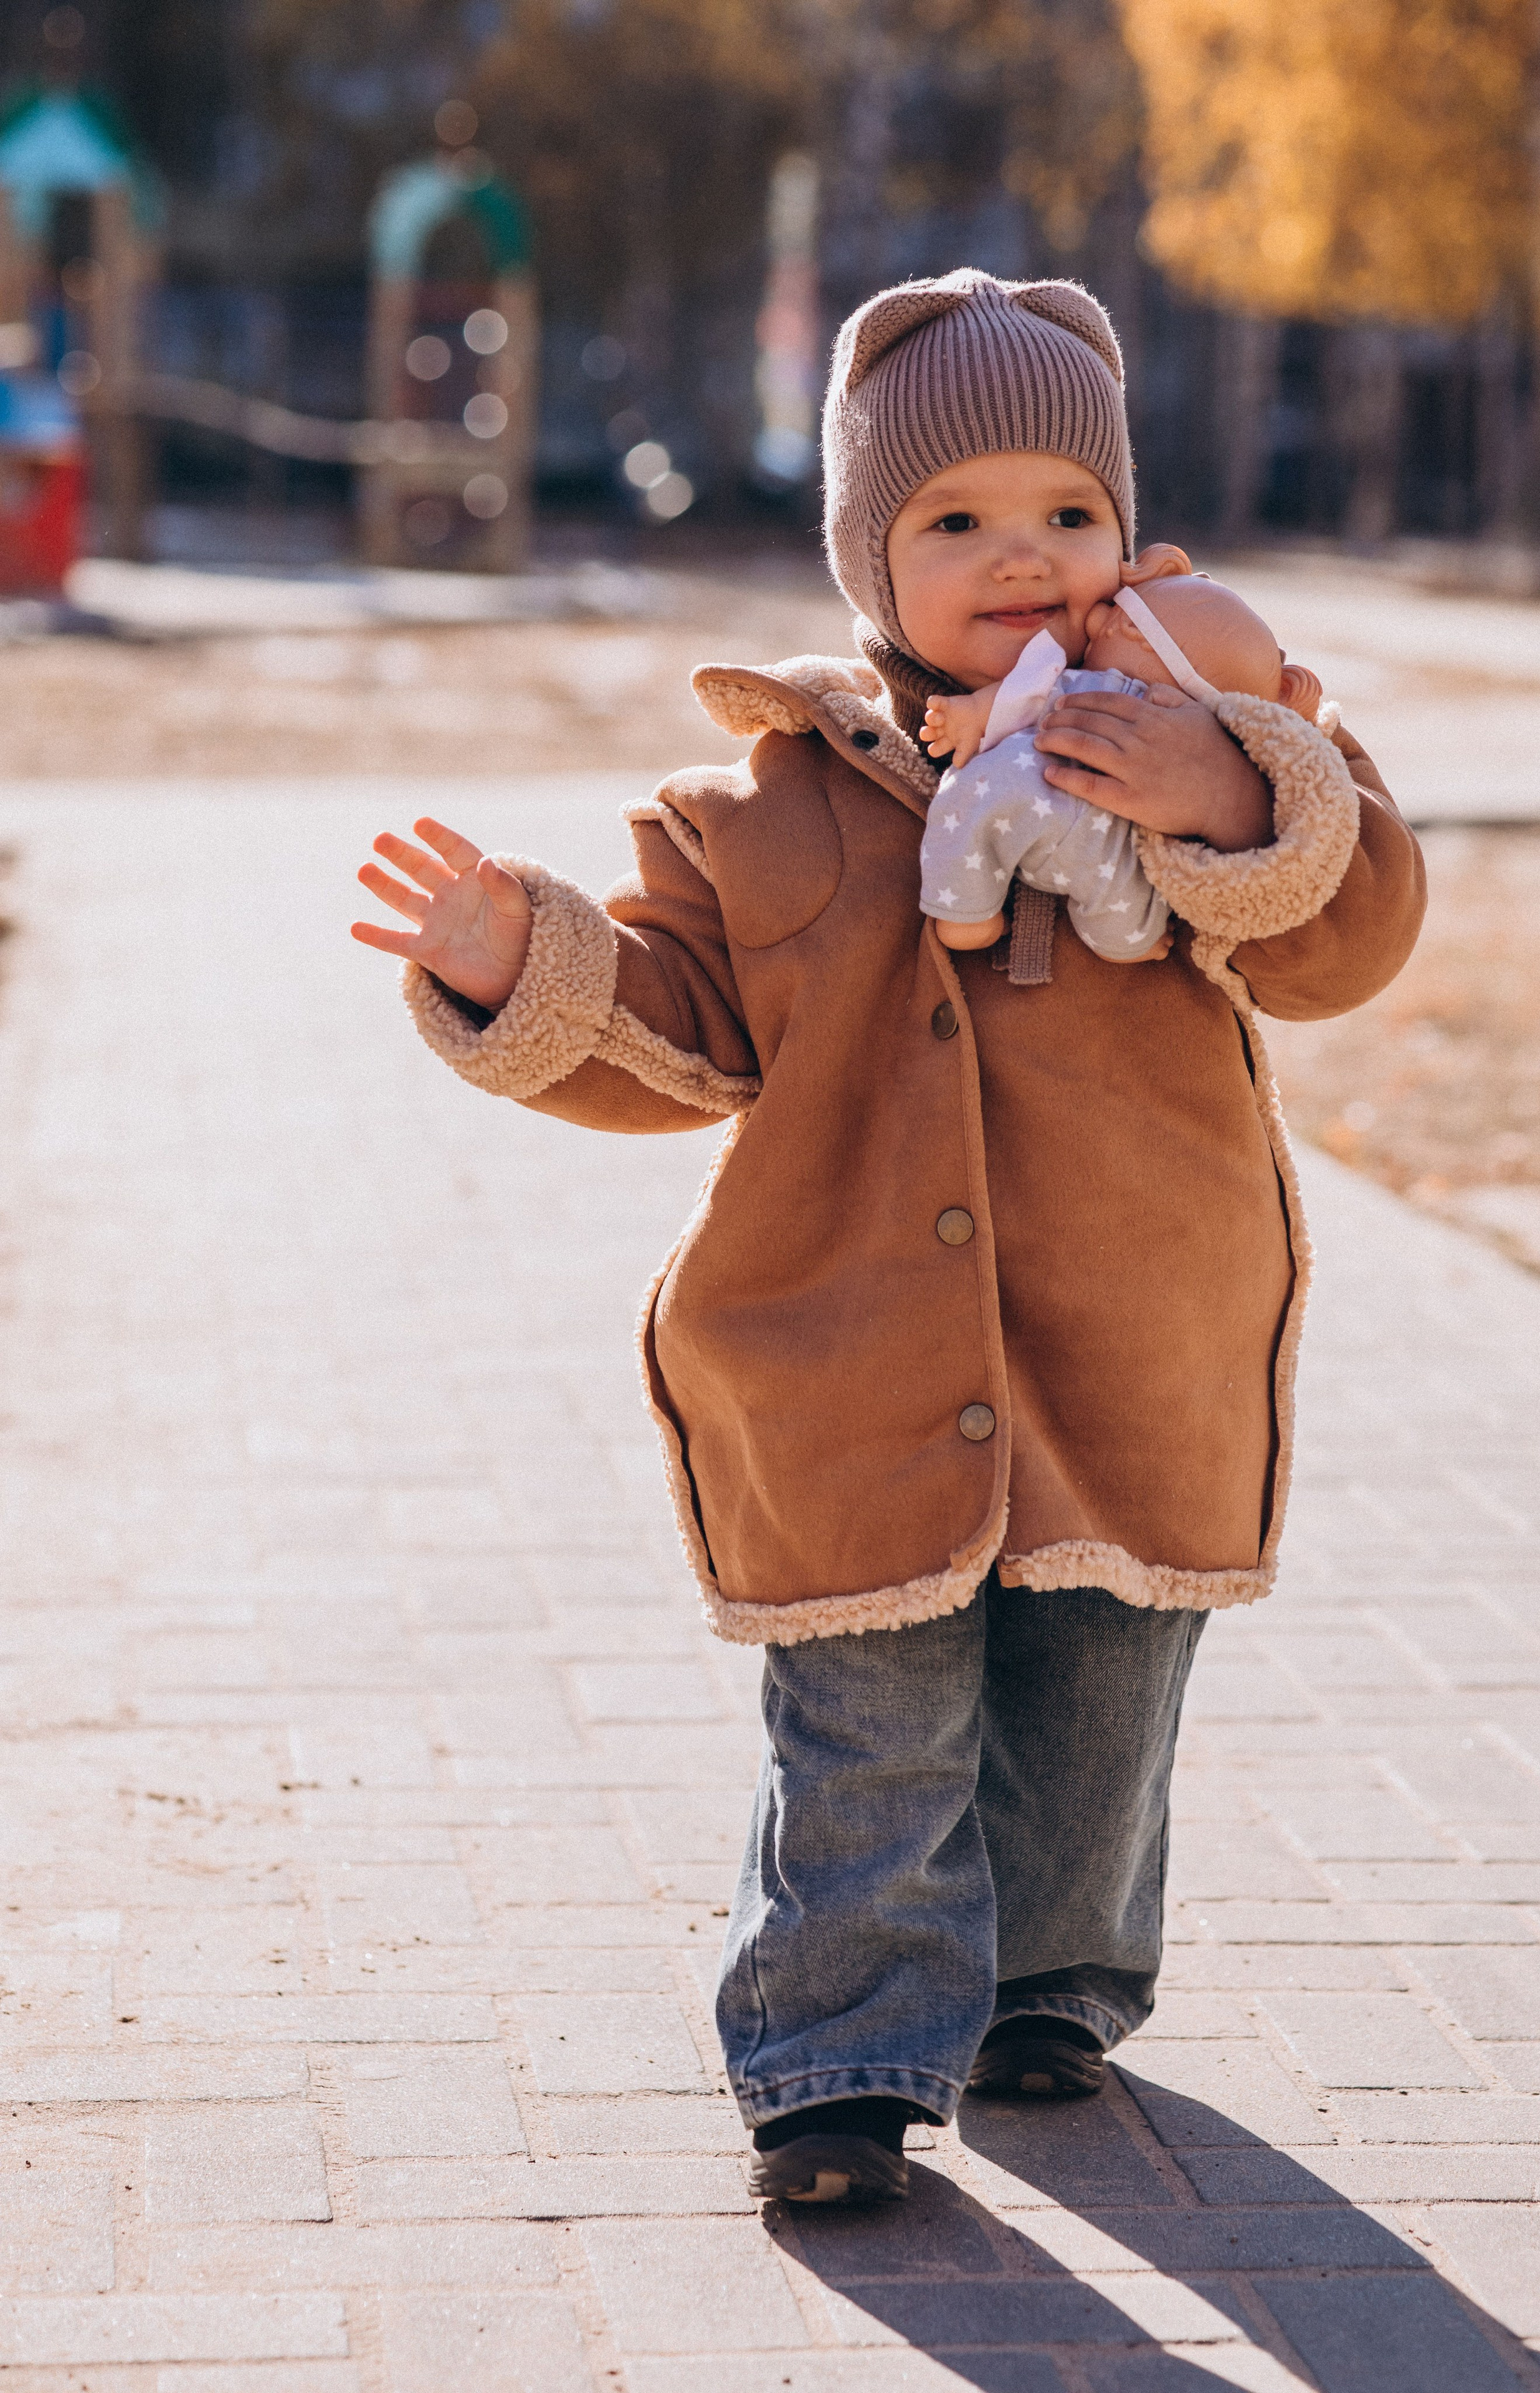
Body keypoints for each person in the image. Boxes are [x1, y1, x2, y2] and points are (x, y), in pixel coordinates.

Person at [351, 268, 1425, 2209]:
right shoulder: (769, 806)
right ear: (867, 553)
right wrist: (530, 962)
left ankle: (1049, 1980)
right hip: (846, 1350)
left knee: (1098, 1701)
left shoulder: (1201, 724)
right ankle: (837, 2053)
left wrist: (1234, 789)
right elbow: (677, 1027)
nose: (1021, 556)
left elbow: (1343, 939)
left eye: (1065, 516)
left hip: (1135, 1336)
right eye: (955, 523)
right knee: (868, 1709)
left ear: (1123, 531)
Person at [920, 571, 1324, 960]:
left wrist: (971, 714)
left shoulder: (1074, 682)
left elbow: (1020, 697)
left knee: (966, 802)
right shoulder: (1183, 729)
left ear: (1132, 630)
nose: (1094, 626)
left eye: (1108, 620)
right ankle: (1126, 944)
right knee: (1123, 887)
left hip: (1021, 786)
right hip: (1109, 841)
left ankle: (964, 911)